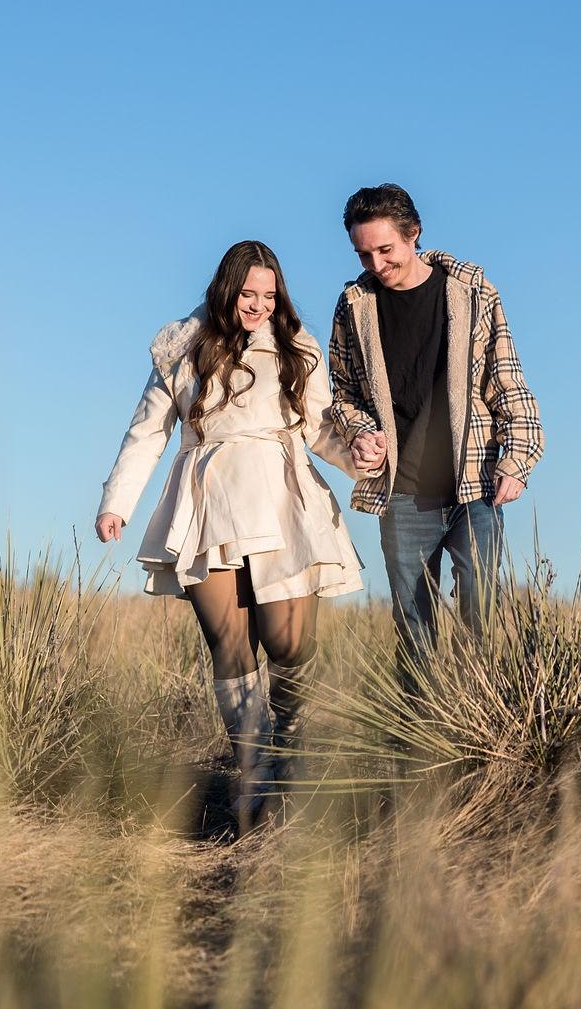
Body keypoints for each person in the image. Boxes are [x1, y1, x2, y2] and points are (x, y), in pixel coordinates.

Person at [96, 240, 365, 825]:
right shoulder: (180, 347)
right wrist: (116, 503)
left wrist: (360, 460)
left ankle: (289, 737)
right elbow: (147, 433)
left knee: (288, 640)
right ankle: (253, 774)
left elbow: (320, 429)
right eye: (249, 294)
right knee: (229, 645)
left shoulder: (297, 346)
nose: (259, 305)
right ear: (226, 289)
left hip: (281, 499)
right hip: (205, 502)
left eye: (269, 295)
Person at [328, 183, 543, 687]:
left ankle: (485, 737)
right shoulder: (353, 304)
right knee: (414, 631)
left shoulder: (472, 289)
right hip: (401, 492)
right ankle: (421, 750)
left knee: (481, 617)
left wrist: (518, 457)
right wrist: (360, 432)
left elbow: (506, 378)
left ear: (413, 234)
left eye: (386, 250)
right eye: (364, 254)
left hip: (476, 483)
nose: (377, 265)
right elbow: (344, 393)